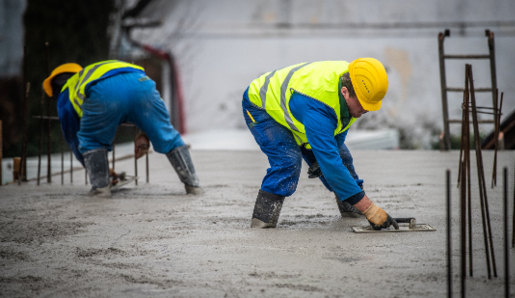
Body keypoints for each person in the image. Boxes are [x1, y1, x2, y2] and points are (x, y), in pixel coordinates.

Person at [242, 58, 399, 230]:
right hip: (262, 107)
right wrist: (370, 209)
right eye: (363, 104)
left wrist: (325, 156)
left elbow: (339, 127)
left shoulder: (355, 82)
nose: (367, 109)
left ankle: (351, 209)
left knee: (342, 157)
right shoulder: (319, 107)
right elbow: (331, 163)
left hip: (300, 110)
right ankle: (263, 222)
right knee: (288, 161)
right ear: (345, 92)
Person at [43, 60, 203, 197]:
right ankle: (194, 186)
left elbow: (73, 137)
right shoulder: (97, 69)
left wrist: (95, 168)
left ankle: (101, 190)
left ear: (56, 86)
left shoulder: (69, 89)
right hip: (142, 83)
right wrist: (145, 133)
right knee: (167, 135)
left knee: (92, 141)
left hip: (104, 92)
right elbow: (140, 104)